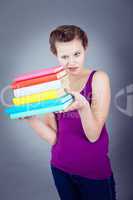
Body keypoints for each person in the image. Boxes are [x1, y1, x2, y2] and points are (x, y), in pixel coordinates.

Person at [23, 25, 117, 200]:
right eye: (64, 56)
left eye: (77, 54)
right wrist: (31, 119)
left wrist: (83, 107)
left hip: (93, 172)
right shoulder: (53, 84)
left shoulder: (98, 79)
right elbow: (55, 138)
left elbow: (93, 135)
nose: (71, 62)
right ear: (55, 54)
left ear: (85, 48)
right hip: (60, 169)